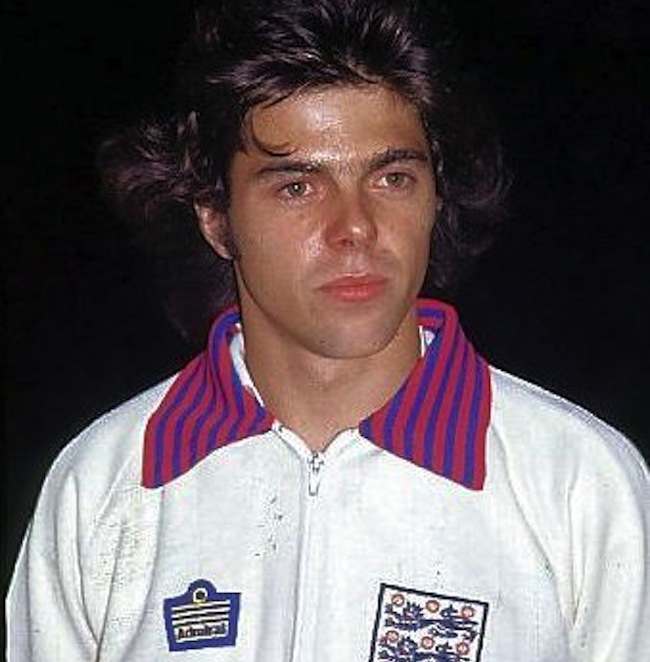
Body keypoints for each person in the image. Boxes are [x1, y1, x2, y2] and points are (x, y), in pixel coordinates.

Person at [7, 1, 649, 660]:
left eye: (392, 178)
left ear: (435, 198)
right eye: (297, 187)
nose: (355, 227)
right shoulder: (104, 482)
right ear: (216, 218)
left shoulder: (580, 483)